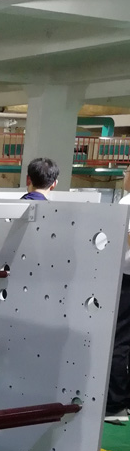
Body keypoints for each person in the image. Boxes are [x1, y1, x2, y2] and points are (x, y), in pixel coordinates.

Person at [105, 167, 130, 424]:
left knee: (118, 341)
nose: (124, 175)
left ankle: (115, 403)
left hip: (125, 279)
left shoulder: (127, 203)